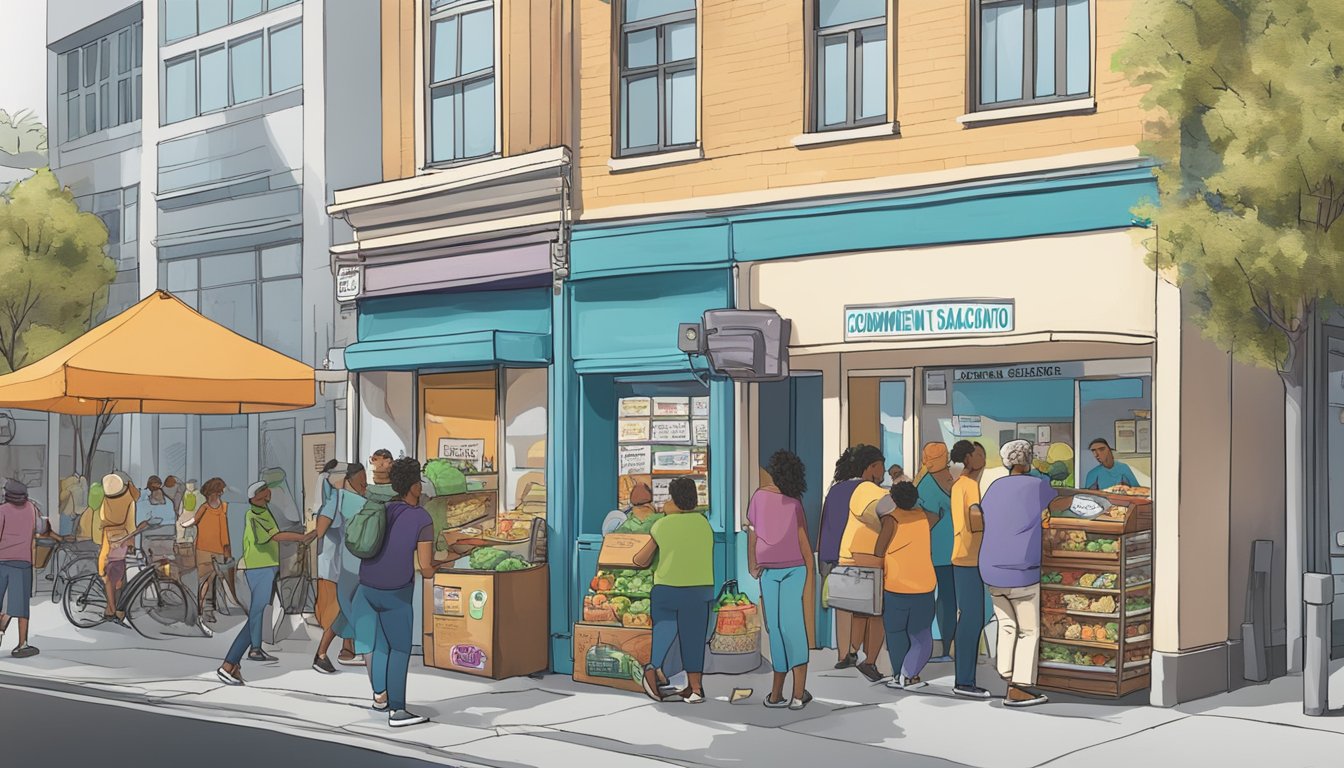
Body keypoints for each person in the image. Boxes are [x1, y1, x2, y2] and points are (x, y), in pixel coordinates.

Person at [979, 439, 1071, 707]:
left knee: (1006, 625)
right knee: (1029, 630)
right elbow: (1060, 504)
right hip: (1021, 569)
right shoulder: (1037, 485)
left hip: (991, 567)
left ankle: (1006, 675)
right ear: (1028, 460)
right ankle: (1019, 688)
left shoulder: (994, 487)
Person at [355, 457, 435, 727]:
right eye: (419, 484)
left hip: (366, 586)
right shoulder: (421, 518)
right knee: (400, 649)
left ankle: (379, 698)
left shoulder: (383, 509)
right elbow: (427, 568)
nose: (421, 489)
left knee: (380, 647)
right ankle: (398, 710)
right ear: (413, 487)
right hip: (396, 592)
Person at [216, 482, 313, 687]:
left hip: (266, 566)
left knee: (257, 614)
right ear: (259, 495)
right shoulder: (254, 515)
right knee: (256, 615)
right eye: (266, 490)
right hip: (258, 568)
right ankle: (228, 664)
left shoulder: (264, 511)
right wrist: (302, 537)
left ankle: (239, 663)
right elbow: (274, 536)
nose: (270, 493)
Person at [747, 450, 813, 710]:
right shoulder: (794, 501)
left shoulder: (758, 497)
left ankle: (780, 694)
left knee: (776, 629)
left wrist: (751, 565)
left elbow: (752, 535)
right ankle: (796, 694)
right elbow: (802, 537)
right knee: (790, 627)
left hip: (768, 571)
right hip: (795, 568)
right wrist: (812, 567)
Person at [642, 477, 714, 704]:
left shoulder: (662, 525)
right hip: (700, 589)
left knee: (664, 630)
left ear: (673, 499)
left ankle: (652, 672)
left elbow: (641, 559)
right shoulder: (704, 524)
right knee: (694, 638)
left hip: (668, 589)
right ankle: (695, 689)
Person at [872, 481, 939, 691]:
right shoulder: (924, 517)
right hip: (924, 585)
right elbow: (938, 515)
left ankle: (898, 674)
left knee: (895, 633)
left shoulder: (891, 520)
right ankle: (911, 674)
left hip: (896, 587)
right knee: (921, 634)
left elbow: (878, 550)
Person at [837, 444, 891, 683]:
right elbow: (881, 512)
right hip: (868, 554)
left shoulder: (859, 489)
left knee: (861, 610)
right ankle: (869, 662)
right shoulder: (868, 489)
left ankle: (851, 652)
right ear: (872, 467)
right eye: (881, 466)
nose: (884, 471)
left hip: (853, 553)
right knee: (877, 613)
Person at [0, 480, 63, 658]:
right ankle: (22, 644)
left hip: (2, 561)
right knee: (21, 605)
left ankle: (1, 627)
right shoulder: (31, 508)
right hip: (23, 562)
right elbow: (43, 529)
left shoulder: (2, 510)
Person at [948, 440, 991, 699]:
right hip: (970, 558)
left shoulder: (957, 485)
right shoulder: (970, 485)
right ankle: (964, 681)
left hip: (962, 556)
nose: (982, 458)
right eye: (978, 454)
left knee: (969, 618)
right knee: (971, 620)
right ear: (967, 457)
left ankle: (965, 678)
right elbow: (975, 519)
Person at [311, 460, 358, 673]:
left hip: (344, 565)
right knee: (337, 610)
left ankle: (347, 648)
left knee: (346, 607)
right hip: (333, 566)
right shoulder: (334, 501)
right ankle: (322, 653)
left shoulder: (343, 499)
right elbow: (322, 530)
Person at [819, 448, 861, 668]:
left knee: (842, 608)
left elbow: (827, 526)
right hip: (861, 553)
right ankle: (856, 648)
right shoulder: (865, 489)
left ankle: (843, 654)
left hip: (836, 555)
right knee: (864, 606)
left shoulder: (835, 491)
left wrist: (825, 560)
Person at [915, 442, 957, 664]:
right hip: (946, 551)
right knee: (946, 600)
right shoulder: (943, 481)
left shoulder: (924, 481)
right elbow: (929, 520)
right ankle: (943, 648)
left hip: (932, 551)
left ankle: (935, 648)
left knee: (934, 600)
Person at [98, 472, 142, 623]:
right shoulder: (129, 500)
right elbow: (130, 525)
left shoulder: (105, 501)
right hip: (122, 541)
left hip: (108, 540)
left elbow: (102, 520)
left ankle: (110, 608)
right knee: (120, 577)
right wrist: (132, 544)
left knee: (108, 576)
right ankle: (115, 609)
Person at [186, 478, 231, 623]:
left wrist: (226, 550)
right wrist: (183, 524)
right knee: (206, 580)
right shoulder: (204, 508)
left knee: (216, 579)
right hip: (204, 549)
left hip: (219, 549)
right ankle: (205, 610)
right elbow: (193, 521)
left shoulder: (223, 507)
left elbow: (224, 531)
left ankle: (211, 608)